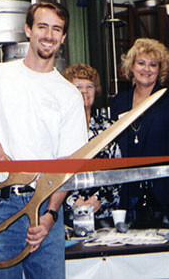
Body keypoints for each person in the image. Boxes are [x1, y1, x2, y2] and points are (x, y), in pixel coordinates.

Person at [0, 1, 88, 279]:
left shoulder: (69, 94)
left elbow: (69, 167)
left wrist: (50, 216)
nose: (49, 35)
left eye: (56, 29)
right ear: (28, 30)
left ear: (63, 37)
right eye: (42, 26)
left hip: (45, 207)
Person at [110, 38, 169, 223]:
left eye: (152, 65)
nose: (146, 69)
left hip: (165, 190)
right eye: (141, 63)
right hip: (128, 191)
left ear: (159, 70)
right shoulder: (118, 102)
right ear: (131, 67)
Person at [61, 63, 120, 229]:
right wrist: (73, 201)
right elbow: (53, 172)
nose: (84, 91)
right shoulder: (59, 129)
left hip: (104, 214)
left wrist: (98, 199)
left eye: (89, 86)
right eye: (77, 86)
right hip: (68, 216)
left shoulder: (109, 127)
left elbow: (117, 171)